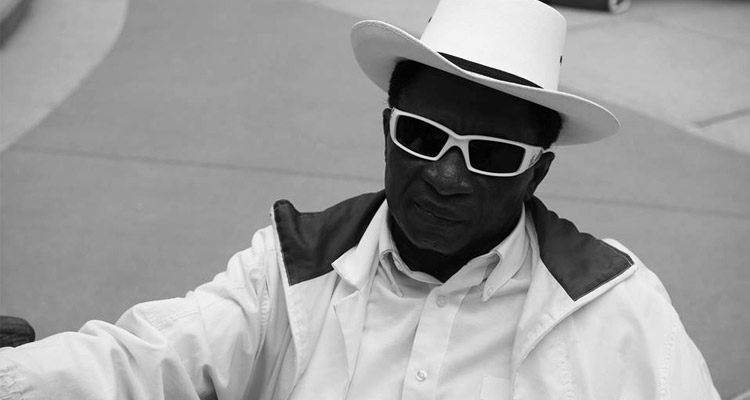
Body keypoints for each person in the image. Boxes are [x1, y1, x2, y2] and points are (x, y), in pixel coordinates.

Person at [0, 0, 720, 398]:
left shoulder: (615, 308)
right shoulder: (291, 272)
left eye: (492, 154)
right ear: (386, 131)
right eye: (422, 136)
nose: (446, 176)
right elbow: (143, 361)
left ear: (536, 174)